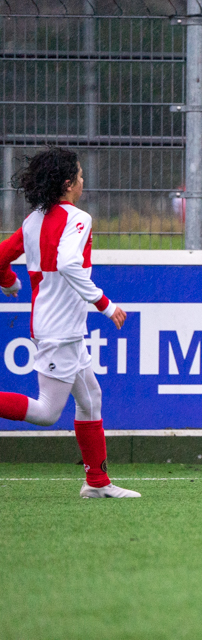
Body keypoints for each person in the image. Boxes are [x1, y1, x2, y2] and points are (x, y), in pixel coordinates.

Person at [0, 147, 140, 499]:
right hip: (59, 330)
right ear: (67, 184)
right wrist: (106, 305)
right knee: (47, 412)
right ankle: (96, 482)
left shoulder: (33, 220)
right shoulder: (78, 218)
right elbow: (68, 263)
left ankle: (96, 483)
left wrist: (9, 281)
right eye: (79, 176)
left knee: (91, 397)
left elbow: (2, 257)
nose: (82, 181)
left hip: (63, 329)